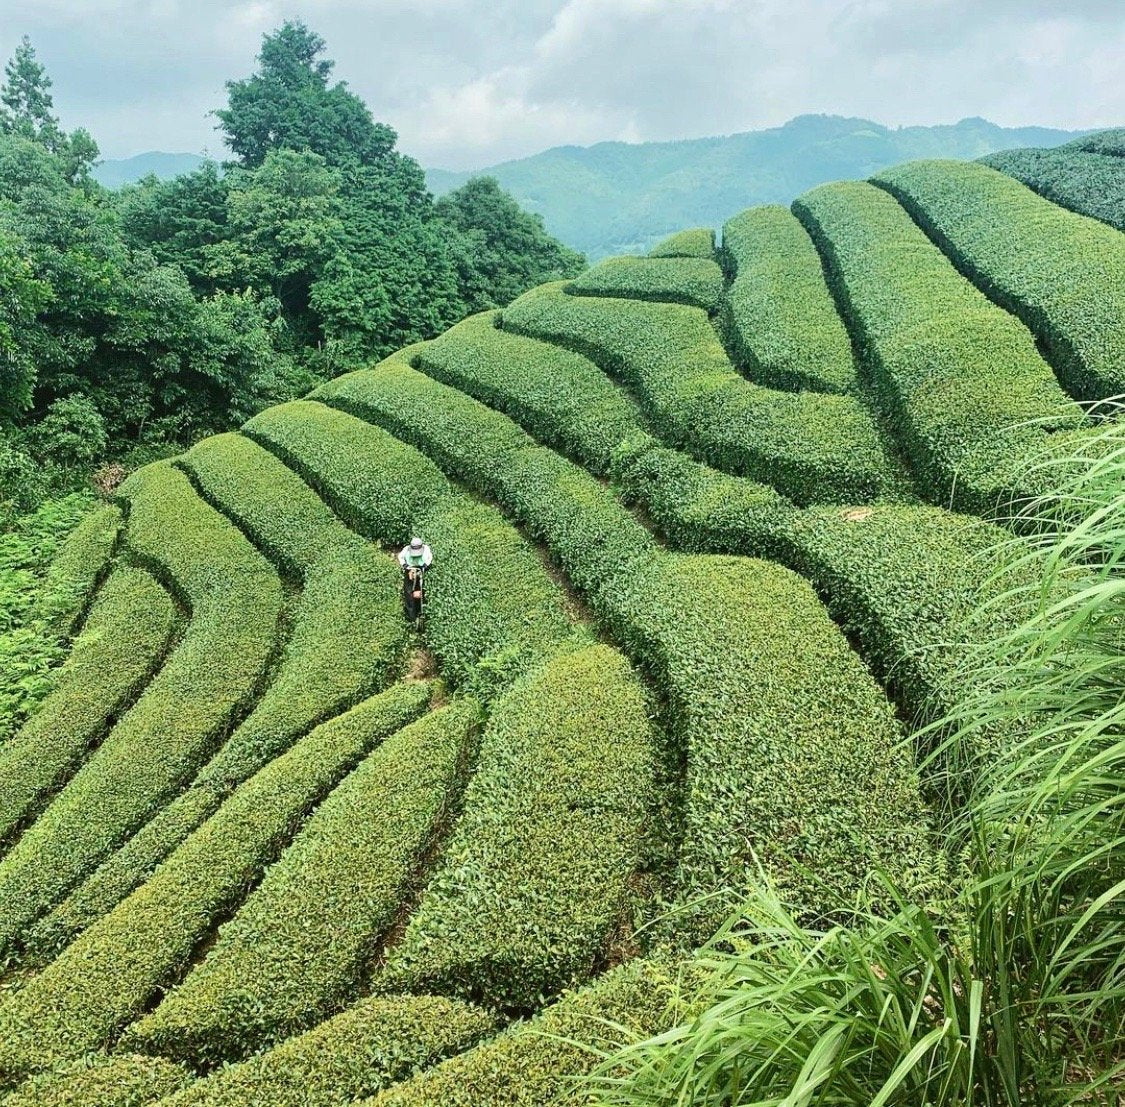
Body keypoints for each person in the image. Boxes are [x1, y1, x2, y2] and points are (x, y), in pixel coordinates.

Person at [398, 536, 433, 622]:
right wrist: (404, 565)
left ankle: (423, 610)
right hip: (410, 569)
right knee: (409, 591)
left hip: (422, 568)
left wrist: (426, 564)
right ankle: (411, 616)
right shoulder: (406, 549)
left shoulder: (426, 549)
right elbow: (400, 557)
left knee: (423, 588)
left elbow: (430, 557)